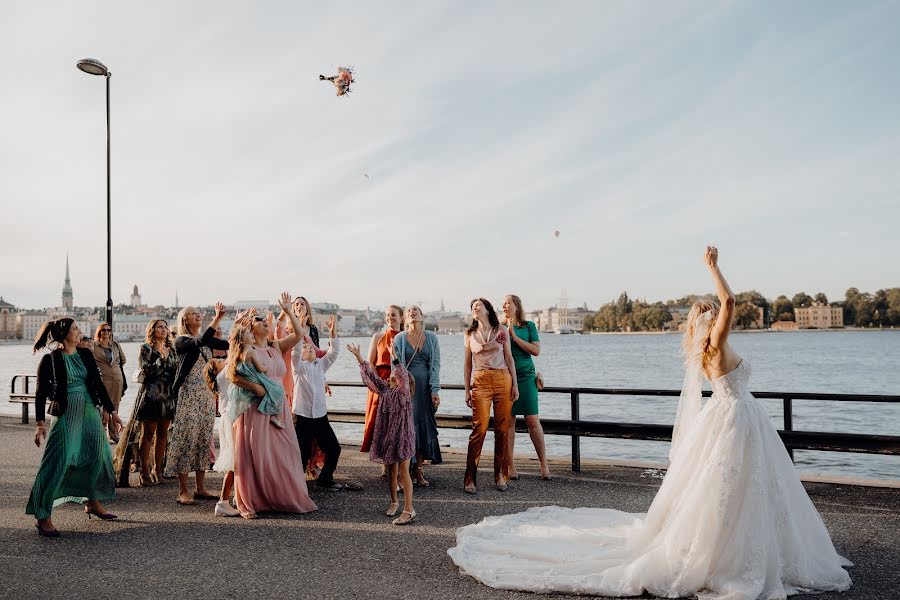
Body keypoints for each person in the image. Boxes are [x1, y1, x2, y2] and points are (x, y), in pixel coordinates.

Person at [447, 247, 853, 599]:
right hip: (736, 419)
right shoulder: (716, 342)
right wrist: (713, 267)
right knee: (738, 486)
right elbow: (730, 303)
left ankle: (742, 546)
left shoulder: (703, 351)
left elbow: (722, 311)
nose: (716, 316)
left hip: (732, 419)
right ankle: (736, 554)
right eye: (711, 314)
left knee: (736, 488)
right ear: (708, 322)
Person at [27, 318, 124, 537]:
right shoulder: (51, 360)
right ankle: (43, 515)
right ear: (64, 334)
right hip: (66, 414)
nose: (80, 332)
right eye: (75, 329)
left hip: (89, 411)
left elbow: (97, 385)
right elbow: (41, 393)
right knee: (57, 462)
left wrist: (112, 410)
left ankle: (91, 501)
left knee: (97, 456)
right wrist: (39, 424)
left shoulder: (85, 355)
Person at [232, 293, 317, 518]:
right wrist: (255, 387)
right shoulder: (246, 350)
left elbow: (299, 334)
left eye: (265, 320)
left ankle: (282, 497)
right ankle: (253, 500)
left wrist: (288, 311)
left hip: (279, 407)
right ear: (251, 328)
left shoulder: (276, 346)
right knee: (258, 454)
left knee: (285, 452)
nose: (265, 322)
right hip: (255, 407)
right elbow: (233, 375)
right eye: (260, 321)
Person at [165, 304, 229, 505]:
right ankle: (183, 490)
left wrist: (241, 327)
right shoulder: (181, 340)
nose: (198, 315)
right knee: (186, 440)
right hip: (189, 394)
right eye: (193, 314)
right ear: (184, 320)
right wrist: (216, 319)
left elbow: (227, 345)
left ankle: (200, 487)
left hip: (207, 395)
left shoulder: (207, 342)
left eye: (198, 313)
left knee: (203, 440)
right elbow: (200, 340)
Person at [349, 342, 416, 525]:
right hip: (389, 435)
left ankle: (409, 510)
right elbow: (371, 377)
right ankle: (394, 501)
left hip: (403, 436)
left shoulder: (404, 393)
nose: (391, 376)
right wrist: (358, 357)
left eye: (395, 376)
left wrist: (394, 357)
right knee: (391, 471)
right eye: (392, 376)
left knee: (403, 472)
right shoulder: (385, 390)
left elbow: (402, 374)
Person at [462, 298, 518, 494]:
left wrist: (515, 385)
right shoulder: (469, 334)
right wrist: (467, 389)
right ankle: (470, 479)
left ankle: (500, 476)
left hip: (503, 379)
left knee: (502, 429)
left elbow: (509, 358)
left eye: (478, 305)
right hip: (480, 381)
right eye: (472, 307)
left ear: (487, 309)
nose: (475, 308)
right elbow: (468, 364)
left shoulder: (501, 329)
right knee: (480, 429)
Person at [113, 319, 177, 486]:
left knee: (163, 434)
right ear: (152, 329)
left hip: (167, 395)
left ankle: (158, 469)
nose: (163, 330)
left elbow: (174, 372)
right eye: (159, 327)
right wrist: (160, 359)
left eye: (165, 327)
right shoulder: (146, 348)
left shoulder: (171, 349)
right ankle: (144, 471)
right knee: (147, 433)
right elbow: (146, 371)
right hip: (151, 395)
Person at [501, 295, 550, 480]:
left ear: (516, 306)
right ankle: (510, 465)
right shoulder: (499, 327)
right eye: (503, 303)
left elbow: (536, 351)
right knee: (509, 422)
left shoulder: (528, 326)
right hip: (506, 378)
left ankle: (544, 464)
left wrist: (514, 337)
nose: (504, 305)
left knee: (532, 420)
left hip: (527, 377)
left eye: (508, 302)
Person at [292, 314, 343, 491]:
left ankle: (325, 479)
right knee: (301, 453)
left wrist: (332, 333)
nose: (309, 348)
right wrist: (299, 334)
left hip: (320, 416)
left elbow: (333, 353)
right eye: (306, 347)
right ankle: (296, 486)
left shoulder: (321, 364)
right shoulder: (298, 368)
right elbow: (295, 352)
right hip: (303, 416)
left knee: (334, 449)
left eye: (311, 347)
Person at [392, 305, 442, 486]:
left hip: (425, 391)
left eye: (416, 311)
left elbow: (435, 365)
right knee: (407, 429)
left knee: (422, 428)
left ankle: (418, 470)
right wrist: (401, 390)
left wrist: (435, 389)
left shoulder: (432, 338)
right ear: (405, 318)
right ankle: (403, 473)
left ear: (422, 316)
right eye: (408, 312)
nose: (412, 313)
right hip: (407, 391)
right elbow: (395, 367)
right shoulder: (399, 339)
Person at [361, 305, 404, 461]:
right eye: (387, 315)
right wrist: (379, 383)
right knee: (380, 423)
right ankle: (384, 462)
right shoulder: (378, 337)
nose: (390, 318)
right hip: (380, 384)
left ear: (401, 318)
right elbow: (370, 362)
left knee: (398, 423)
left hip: (399, 384)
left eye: (393, 315)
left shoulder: (405, 337)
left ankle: (400, 460)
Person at [228, 323, 286, 429]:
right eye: (248, 333)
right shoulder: (251, 351)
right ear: (242, 340)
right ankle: (276, 416)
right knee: (278, 390)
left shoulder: (239, 353)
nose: (252, 334)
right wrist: (266, 368)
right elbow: (260, 368)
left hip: (249, 379)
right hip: (257, 378)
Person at [92, 323, 128, 443]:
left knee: (115, 406)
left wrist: (115, 368)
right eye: (103, 330)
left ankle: (114, 434)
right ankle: (101, 432)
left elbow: (123, 360)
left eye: (109, 330)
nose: (106, 332)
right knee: (103, 406)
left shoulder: (115, 345)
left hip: (117, 380)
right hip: (103, 380)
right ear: (99, 332)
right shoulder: (94, 346)